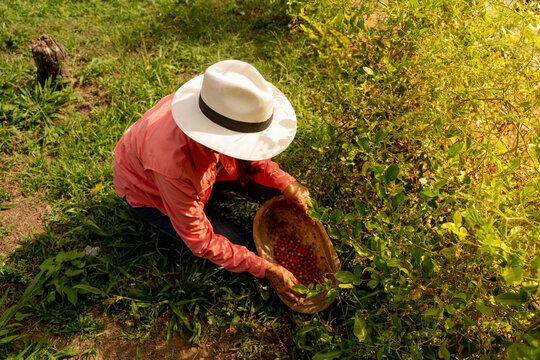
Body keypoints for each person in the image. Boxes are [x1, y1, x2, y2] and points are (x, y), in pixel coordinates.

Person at [113, 60, 310, 304]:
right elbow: (201, 241)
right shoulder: (173, 165)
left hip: (192, 175)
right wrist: (265, 269)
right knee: (237, 243)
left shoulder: (220, 106)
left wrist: (287, 184)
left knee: (272, 189)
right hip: (150, 193)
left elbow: (255, 158)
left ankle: (214, 194)